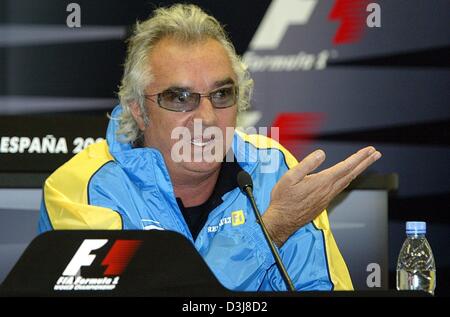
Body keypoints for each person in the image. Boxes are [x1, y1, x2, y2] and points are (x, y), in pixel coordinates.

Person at [38, 4, 381, 291]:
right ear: (138, 110)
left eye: (221, 94)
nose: (206, 117)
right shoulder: (84, 190)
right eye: (180, 97)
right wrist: (268, 231)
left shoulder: (273, 170)